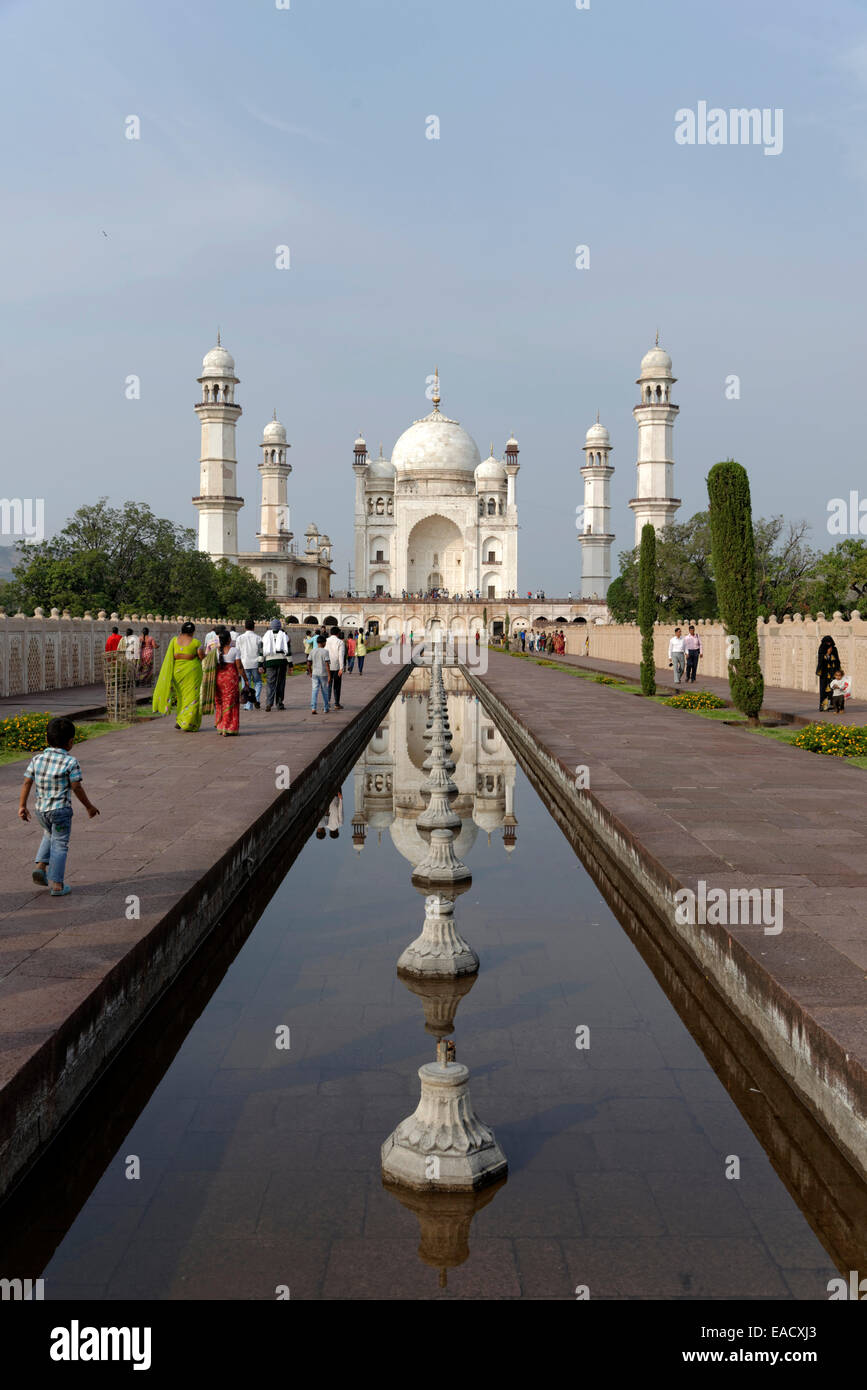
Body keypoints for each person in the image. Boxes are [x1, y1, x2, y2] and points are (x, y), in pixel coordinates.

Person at [18, 716, 99, 896]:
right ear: (70, 742)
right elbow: (76, 786)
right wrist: (89, 806)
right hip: (60, 810)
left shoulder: (36, 760)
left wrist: (22, 806)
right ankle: (57, 885)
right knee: (60, 844)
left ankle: (40, 866)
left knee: (49, 833)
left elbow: (26, 783)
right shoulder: (71, 762)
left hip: (41, 811)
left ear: (46, 740)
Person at [152, 621, 206, 731]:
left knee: (181, 696)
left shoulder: (174, 641)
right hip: (192, 673)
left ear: (182, 630)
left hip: (177, 673)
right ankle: (187, 723)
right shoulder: (196, 642)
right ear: (193, 632)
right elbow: (202, 657)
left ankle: (180, 720)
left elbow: (171, 657)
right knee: (193, 697)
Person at [215, 627, 250, 735]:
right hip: (230, 680)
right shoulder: (234, 650)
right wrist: (246, 679)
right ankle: (227, 727)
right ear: (229, 639)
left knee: (221, 703)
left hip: (219, 680)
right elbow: (239, 666)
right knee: (230, 703)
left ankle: (221, 727)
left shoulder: (216, 651)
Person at [263, 618, 291, 711]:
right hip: (281, 661)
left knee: (270, 683)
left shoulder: (266, 636)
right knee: (280, 683)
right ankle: (279, 703)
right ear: (280, 627)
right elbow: (288, 652)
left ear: (271, 626)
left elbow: (261, 651)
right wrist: (290, 664)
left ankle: (269, 703)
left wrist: (260, 664)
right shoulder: (284, 636)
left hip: (270, 661)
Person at [237, 618, 262, 711]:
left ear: (245, 627)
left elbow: (238, 652)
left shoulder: (240, 638)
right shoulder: (258, 638)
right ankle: (256, 700)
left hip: (244, 664)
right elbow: (261, 652)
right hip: (255, 663)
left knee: (245, 684)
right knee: (258, 682)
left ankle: (248, 705)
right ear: (254, 627)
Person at [817, 635, 841, 711]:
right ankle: (824, 706)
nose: (829, 644)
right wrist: (827, 654)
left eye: (830, 642)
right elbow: (820, 661)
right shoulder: (821, 649)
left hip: (832, 672)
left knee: (833, 689)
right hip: (824, 673)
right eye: (827, 642)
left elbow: (837, 661)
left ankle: (833, 705)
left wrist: (839, 671)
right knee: (824, 690)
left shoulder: (834, 649)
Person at [310, 633, 332, 713]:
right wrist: (329, 675)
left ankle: (313, 708)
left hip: (315, 673)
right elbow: (327, 664)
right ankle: (326, 708)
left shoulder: (313, 651)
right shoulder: (325, 651)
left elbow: (308, 662)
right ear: (323, 643)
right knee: (324, 691)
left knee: (314, 690)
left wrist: (310, 672)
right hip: (323, 674)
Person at [326, 626, 346, 709]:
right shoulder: (340, 642)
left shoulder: (326, 640)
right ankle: (336, 703)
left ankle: (327, 703)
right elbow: (341, 655)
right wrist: (341, 668)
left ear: (330, 633)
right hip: (337, 666)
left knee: (328, 684)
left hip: (327, 666)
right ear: (338, 633)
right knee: (337, 685)